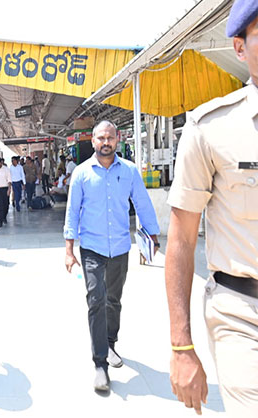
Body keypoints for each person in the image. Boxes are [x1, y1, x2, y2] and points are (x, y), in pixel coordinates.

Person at [165, 0, 258, 416]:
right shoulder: (211, 130)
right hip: (243, 315)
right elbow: (181, 238)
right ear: (239, 47)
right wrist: (182, 347)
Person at [64, 121, 159, 392]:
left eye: (110, 138)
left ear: (118, 139)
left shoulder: (129, 171)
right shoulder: (82, 173)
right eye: (100, 138)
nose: (105, 142)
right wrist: (69, 250)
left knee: (113, 300)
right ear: (92, 141)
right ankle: (100, 364)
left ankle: (110, 343)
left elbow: (142, 202)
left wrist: (152, 235)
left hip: (119, 247)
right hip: (91, 247)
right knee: (96, 299)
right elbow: (72, 211)